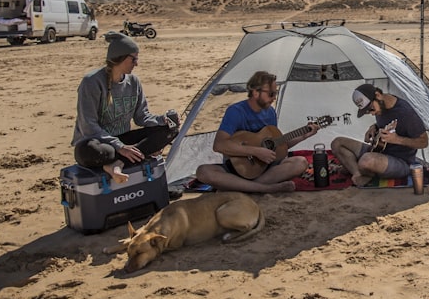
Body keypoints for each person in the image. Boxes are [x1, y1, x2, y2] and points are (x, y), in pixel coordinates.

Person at [72, 31, 180, 184]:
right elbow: (88, 127)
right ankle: (129, 157)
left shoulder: (134, 82)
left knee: (169, 131)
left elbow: (142, 117)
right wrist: (120, 147)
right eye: (133, 59)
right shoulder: (92, 82)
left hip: (122, 139)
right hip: (96, 143)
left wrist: (163, 120)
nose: (137, 63)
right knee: (100, 152)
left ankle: (118, 164)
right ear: (120, 58)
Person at [194, 71, 316, 194]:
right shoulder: (235, 112)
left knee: (300, 162)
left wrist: (303, 136)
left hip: (264, 169)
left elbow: (277, 145)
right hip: (237, 168)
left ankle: (242, 187)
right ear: (256, 92)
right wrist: (256, 151)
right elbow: (219, 145)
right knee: (203, 172)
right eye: (271, 94)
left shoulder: (270, 113)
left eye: (275, 93)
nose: (274, 98)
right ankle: (265, 188)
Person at [331, 83, 428, 187]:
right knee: (337, 143)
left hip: (401, 161)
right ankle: (358, 174)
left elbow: (424, 142)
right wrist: (374, 127)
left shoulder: (407, 113)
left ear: (378, 95)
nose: (372, 113)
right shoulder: (382, 106)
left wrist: (397, 139)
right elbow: (385, 123)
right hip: (378, 150)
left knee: (366, 161)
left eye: (371, 109)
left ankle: (356, 168)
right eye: (367, 111)